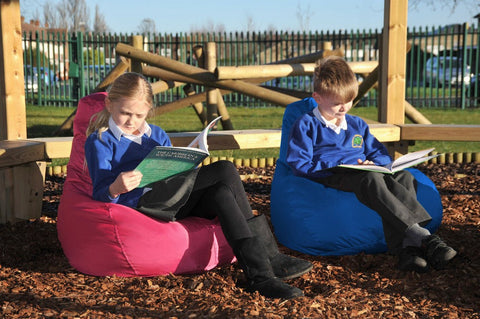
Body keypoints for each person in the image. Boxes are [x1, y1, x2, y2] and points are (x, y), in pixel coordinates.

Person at [84, 72, 312, 299]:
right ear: (109, 104)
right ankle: (270, 255)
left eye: (139, 115)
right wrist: (116, 187)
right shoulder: (101, 141)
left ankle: (260, 277)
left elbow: (172, 169)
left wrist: (187, 162)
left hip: (174, 197)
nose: (131, 121)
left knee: (221, 193)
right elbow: (100, 193)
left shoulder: (157, 135)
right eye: (125, 113)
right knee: (224, 169)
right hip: (146, 205)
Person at [286, 56, 457, 273]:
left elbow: (378, 151)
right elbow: (299, 163)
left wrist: (378, 163)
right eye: (336, 103)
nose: (343, 108)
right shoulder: (307, 124)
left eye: (348, 101)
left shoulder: (356, 124)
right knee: (370, 178)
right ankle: (424, 237)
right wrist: (338, 163)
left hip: (364, 170)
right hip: (332, 174)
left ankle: (406, 251)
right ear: (317, 98)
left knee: (404, 177)